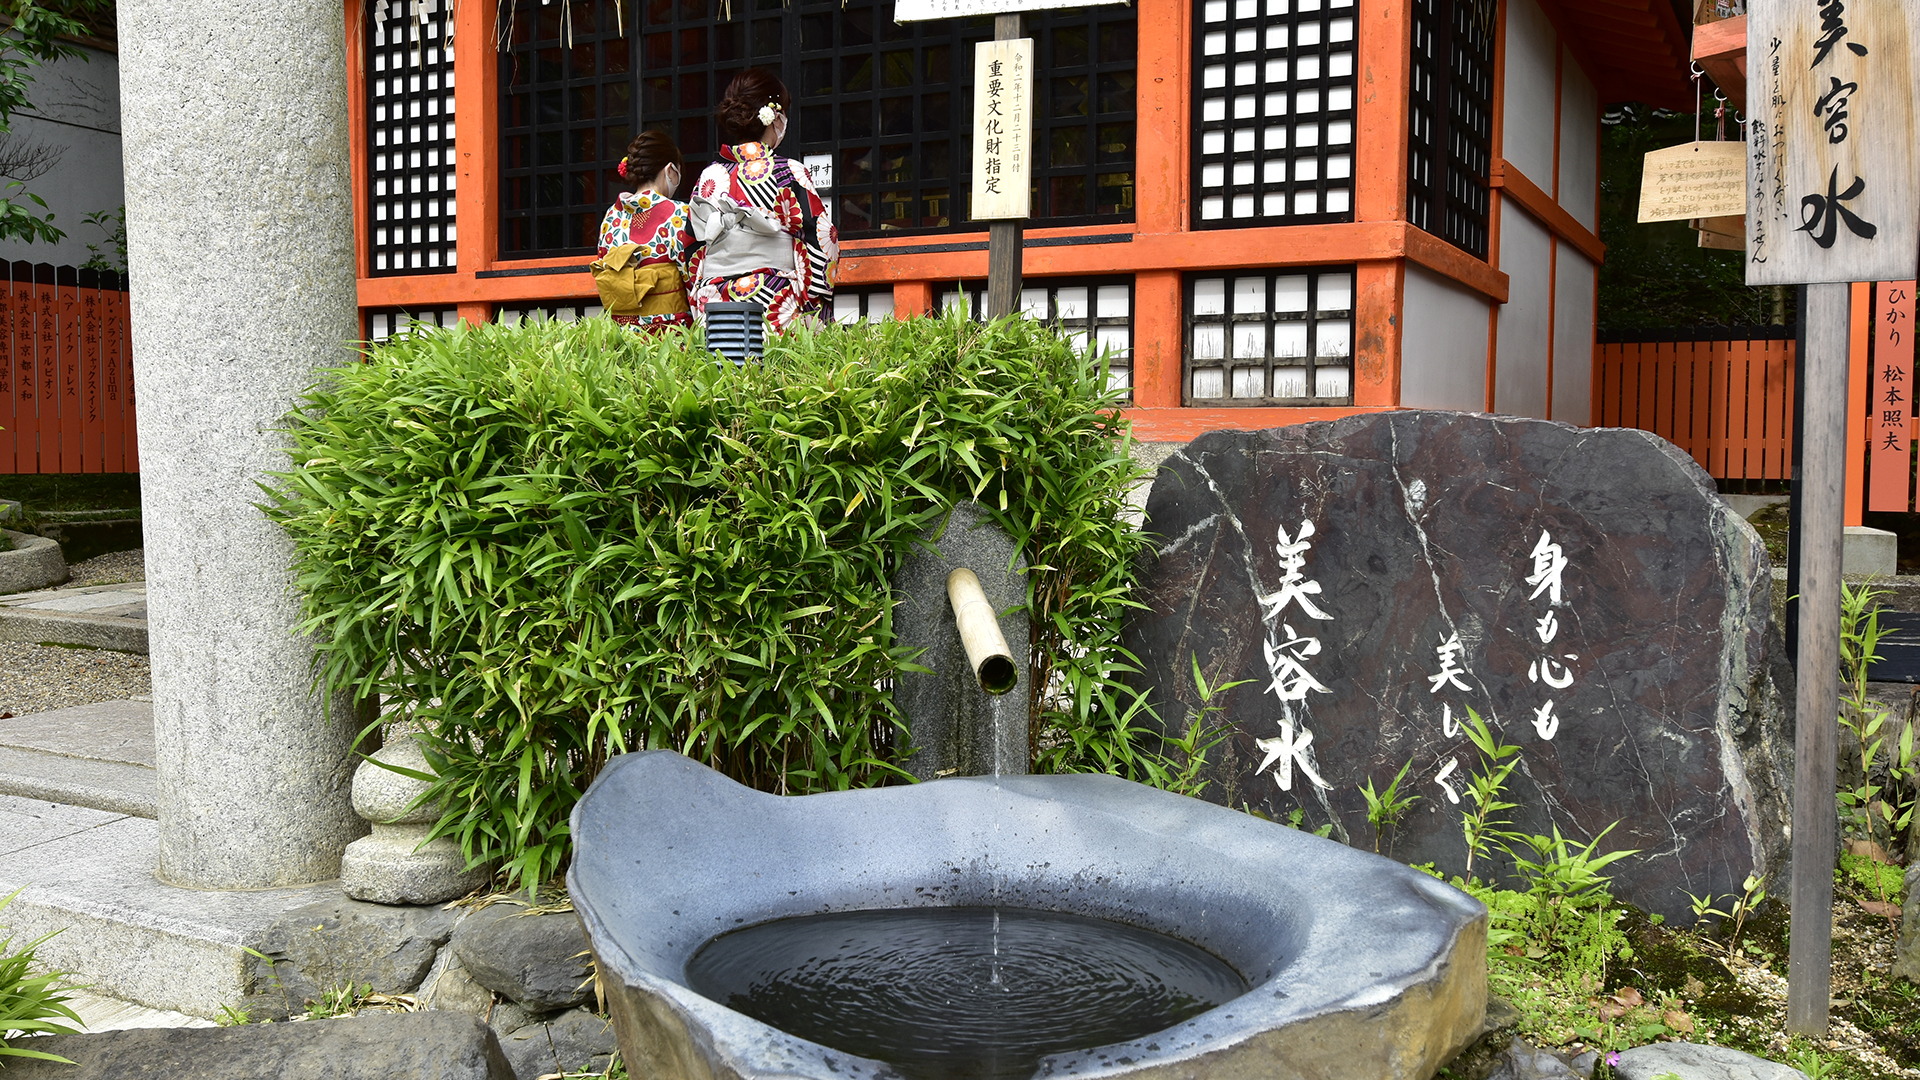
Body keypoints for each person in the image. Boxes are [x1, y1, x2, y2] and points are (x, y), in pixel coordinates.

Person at [688, 68, 838, 334]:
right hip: (775, 303)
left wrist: (701, 299)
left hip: (715, 306)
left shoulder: (709, 176)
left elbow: (691, 249)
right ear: (774, 118)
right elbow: (823, 240)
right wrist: (812, 307)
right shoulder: (789, 172)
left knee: (721, 372)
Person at [593, 130, 701, 333]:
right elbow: (696, 280)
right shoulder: (679, 214)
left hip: (622, 336)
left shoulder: (611, 217)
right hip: (671, 334)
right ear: (670, 170)